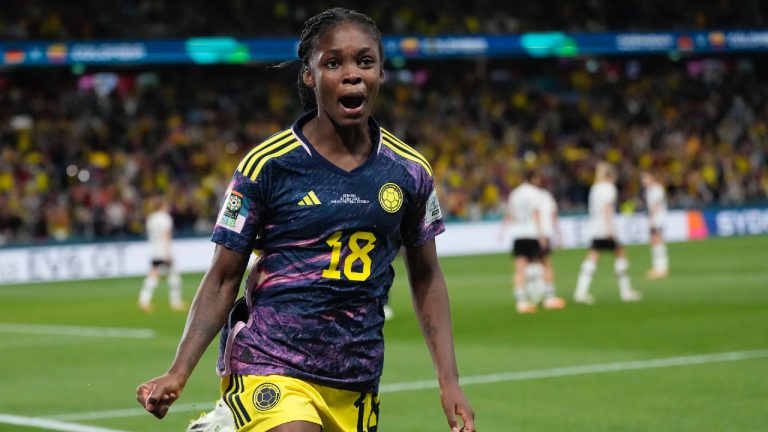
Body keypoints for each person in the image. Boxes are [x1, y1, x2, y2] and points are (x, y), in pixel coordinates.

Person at [136, 8, 475, 432]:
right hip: (270, 360)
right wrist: (179, 371)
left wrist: (449, 381)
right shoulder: (268, 165)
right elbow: (223, 277)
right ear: (309, 76)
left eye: (365, 61)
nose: (351, 75)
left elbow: (426, 276)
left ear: (381, 72)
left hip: (355, 375)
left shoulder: (409, 171)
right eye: (333, 63)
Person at [573, 162, 641, 304]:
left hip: (595, 226)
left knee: (593, 257)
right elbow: (607, 208)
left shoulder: (595, 188)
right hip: (605, 227)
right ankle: (625, 291)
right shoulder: (609, 188)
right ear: (611, 175)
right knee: (620, 255)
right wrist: (610, 229)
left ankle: (580, 291)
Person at [500, 170, 564, 313]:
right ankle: (549, 298)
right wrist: (542, 235)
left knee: (519, 268)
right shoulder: (535, 193)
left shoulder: (515, 193)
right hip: (532, 233)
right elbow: (536, 214)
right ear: (534, 178)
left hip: (518, 234)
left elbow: (510, 214)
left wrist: (502, 232)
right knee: (546, 264)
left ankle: (521, 301)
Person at [138, 195, 185, 313]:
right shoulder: (165, 218)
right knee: (174, 275)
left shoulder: (151, 218)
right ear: (162, 205)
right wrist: (168, 252)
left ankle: (144, 301)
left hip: (154, 250)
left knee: (153, 274)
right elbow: (166, 235)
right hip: (163, 250)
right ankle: (175, 302)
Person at [535, 181, 566, 310]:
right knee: (546, 264)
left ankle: (535, 295)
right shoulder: (546, 196)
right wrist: (558, 235)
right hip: (544, 233)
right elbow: (554, 216)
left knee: (532, 264)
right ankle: (549, 296)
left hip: (529, 233)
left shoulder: (527, 195)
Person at [641, 170, 669, 279]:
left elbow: (655, 205)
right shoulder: (650, 190)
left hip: (658, 219)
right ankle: (657, 267)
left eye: (645, 178)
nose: (643, 181)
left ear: (652, 178)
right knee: (654, 242)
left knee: (658, 241)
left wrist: (650, 218)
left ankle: (661, 269)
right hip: (655, 219)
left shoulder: (657, 189)